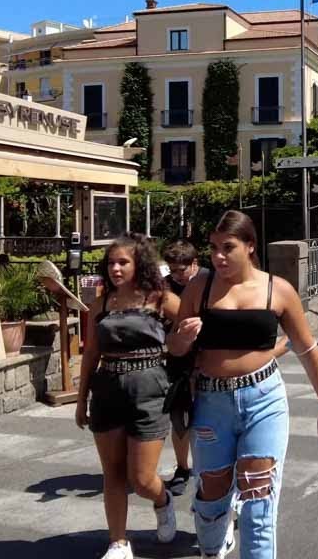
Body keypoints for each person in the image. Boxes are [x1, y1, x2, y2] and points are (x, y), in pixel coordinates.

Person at [169, 210, 318, 559]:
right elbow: (175, 348)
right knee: (211, 494)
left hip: (264, 400)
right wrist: (182, 339)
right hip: (211, 403)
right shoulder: (199, 286)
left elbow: (308, 350)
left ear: (249, 246)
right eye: (213, 247)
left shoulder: (278, 290)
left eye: (227, 247)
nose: (218, 256)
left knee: (259, 499)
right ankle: (212, 549)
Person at [75, 234, 181, 559]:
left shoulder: (160, 298)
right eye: (111, 263)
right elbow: (91, 352)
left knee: (142, 478)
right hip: (107, 389)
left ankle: (163, 500)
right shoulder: (101, 303)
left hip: (149, 390)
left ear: (139, 264)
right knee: (113, 473)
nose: (116, 268)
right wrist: (81, 400)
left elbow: (192, 325)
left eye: (123, 262)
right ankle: (118, 543)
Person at [161, 239, 209, 497]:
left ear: (195, 263)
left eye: (181, 269)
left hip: (207, 357)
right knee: (178, 415)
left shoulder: (209, 281)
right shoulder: (167, 286)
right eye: (172, 270)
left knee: (207, 416)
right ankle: (182, 468)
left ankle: (209, 467)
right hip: (178, 357)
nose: (177, 276)